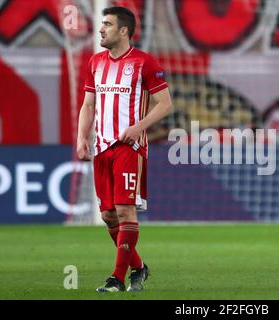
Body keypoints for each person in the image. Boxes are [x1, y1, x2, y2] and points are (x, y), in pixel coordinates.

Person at [76, 6, 172, 292]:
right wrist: (82, 136)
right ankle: (139, 268)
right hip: (101, 146)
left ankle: (117, 279)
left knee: (125, 211)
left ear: (123, 31)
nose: (101, 29)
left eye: (107, 24)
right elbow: (89, 104)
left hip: (129, 148)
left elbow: (165, 104)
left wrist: (139, 127)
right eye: (101, 23)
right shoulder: (95, 62)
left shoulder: (144, 62)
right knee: (108, 215)